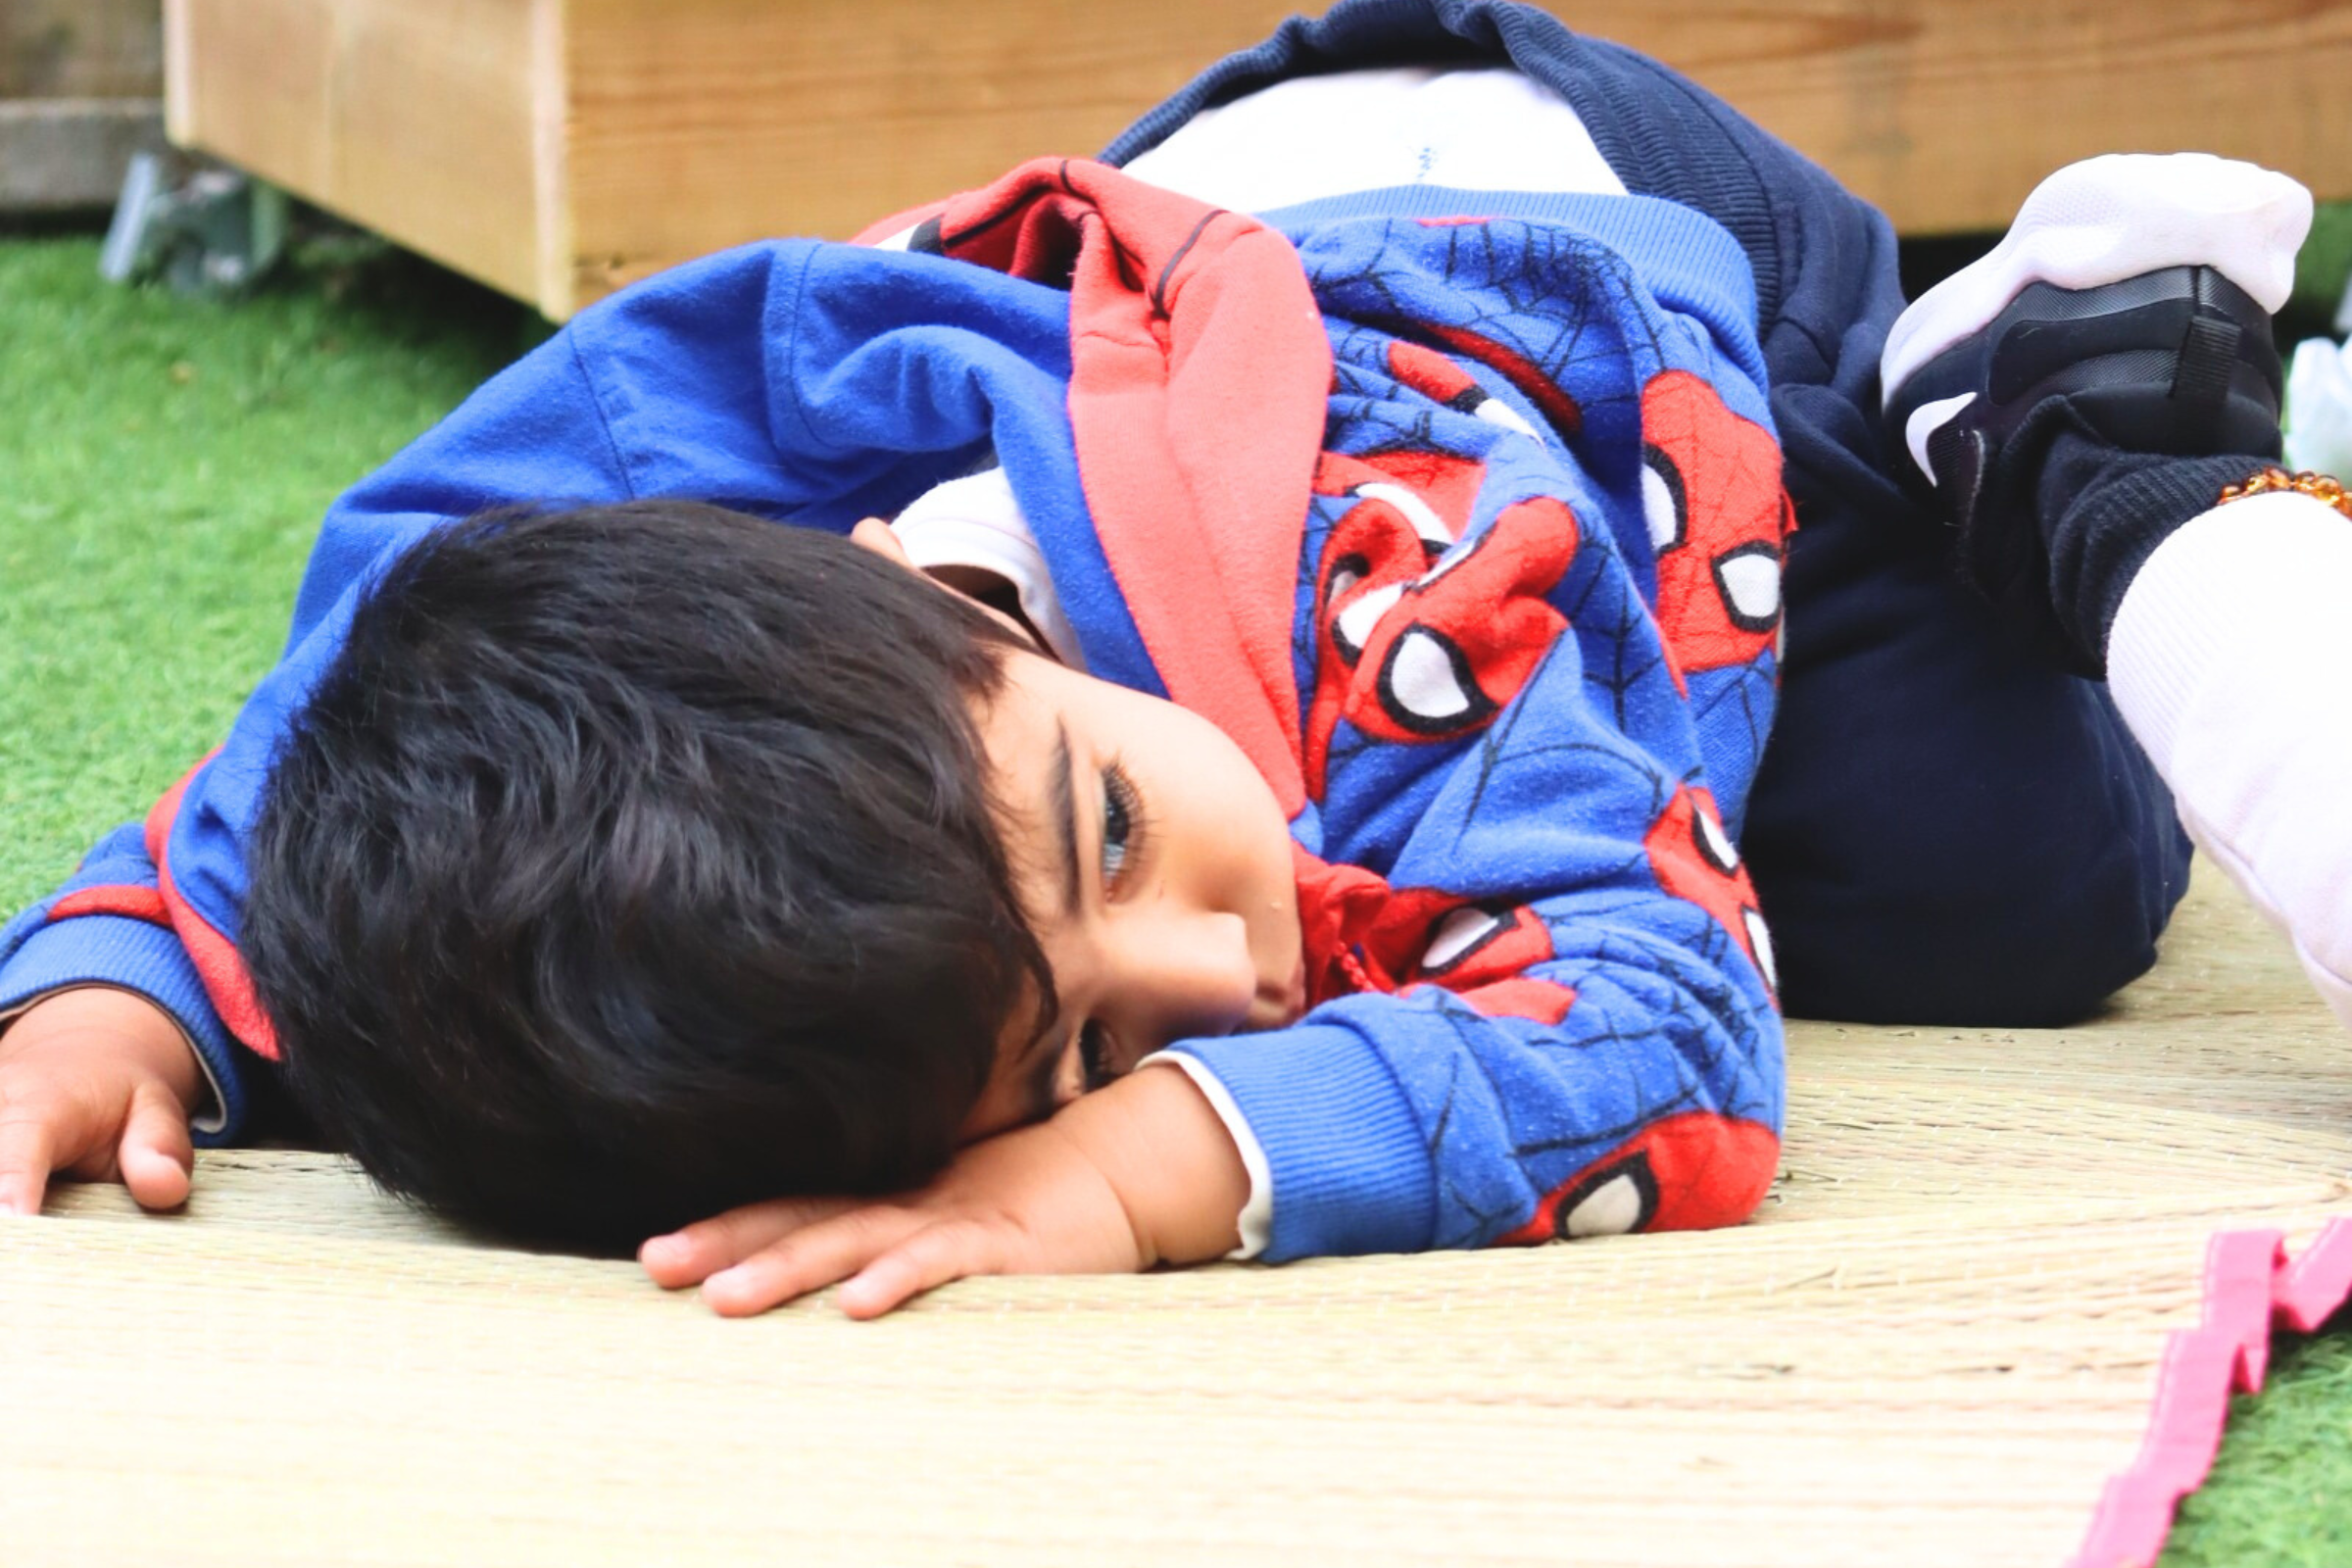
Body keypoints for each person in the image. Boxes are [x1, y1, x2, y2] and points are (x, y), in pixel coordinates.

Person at [0, 0, 2314, 1319]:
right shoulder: (783, 688)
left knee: (2032, 882)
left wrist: (1115, 1168)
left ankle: (2045, 405)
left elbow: (1660, 1022)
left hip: (1626, 288)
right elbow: (375, 760)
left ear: (946, 594)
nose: (1230, 963)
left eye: (1111, 829)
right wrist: (132, 982)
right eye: (1086, 1050)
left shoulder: (1402, 587)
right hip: (1222, 202)